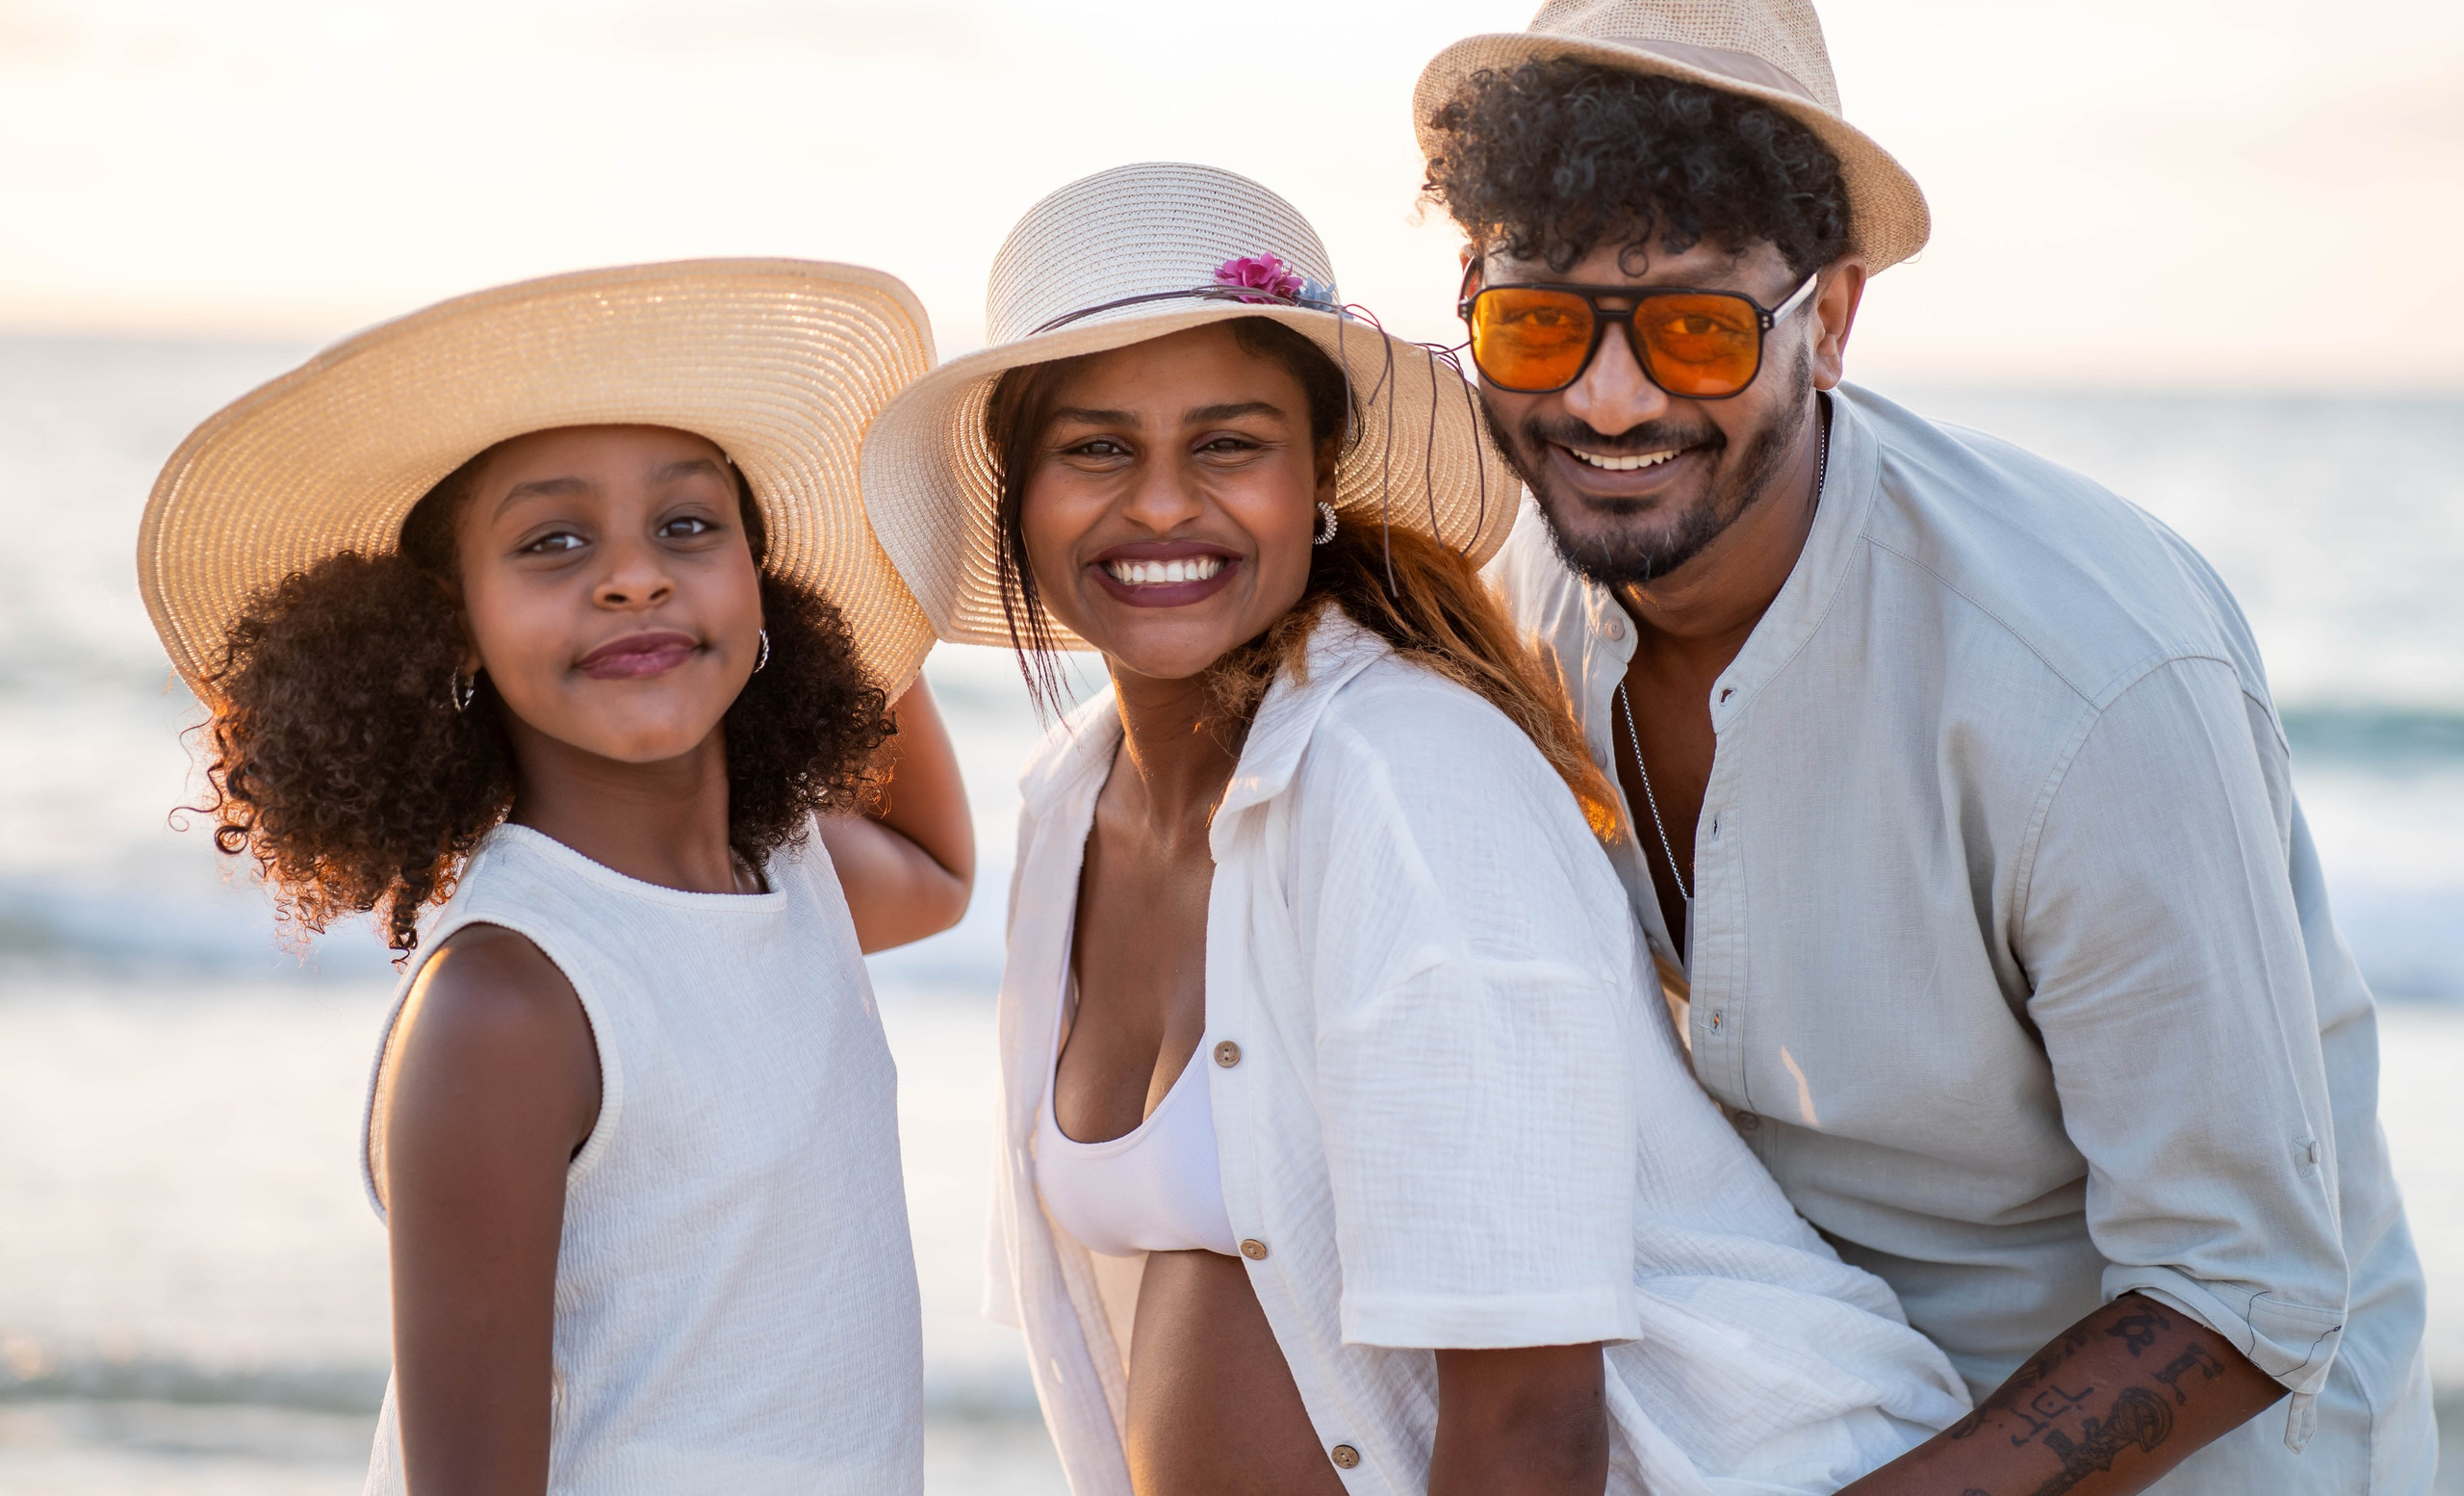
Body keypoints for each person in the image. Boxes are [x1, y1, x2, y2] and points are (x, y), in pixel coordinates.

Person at [1417, 0, 2436, 1493]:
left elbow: (2246, 1288)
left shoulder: (2086, 681)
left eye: (1692, 329)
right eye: (1544, 324)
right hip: (1788, 1405)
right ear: (1473, 304)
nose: (1608, 403)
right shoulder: (1526, 598)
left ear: (1829, 319)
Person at [861, 162, 1970, 1496]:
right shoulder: (1066, 803)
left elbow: (1531, 1425)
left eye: (1228, 443)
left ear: (1316, 477)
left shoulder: (1405, 781)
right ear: (1017, 493)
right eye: (1097, 446)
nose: (1160, 502)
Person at [136, 260, 974, 1496]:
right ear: (453, 625)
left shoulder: (787, 868)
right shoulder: (510, 1003)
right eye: (552, 541)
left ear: (765, 578)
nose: (634, 575)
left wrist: (851, 593)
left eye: (691, 527)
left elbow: (939, 871)